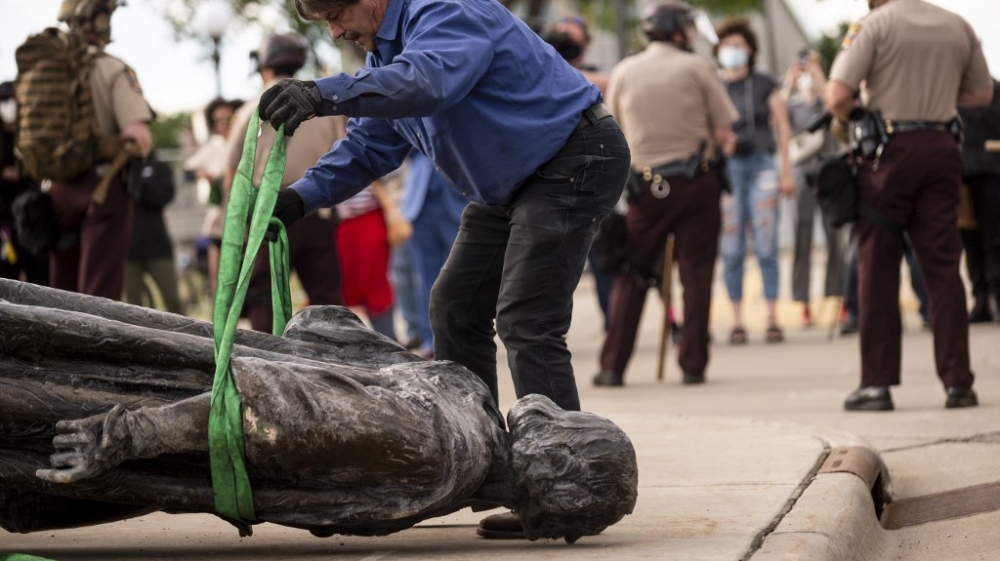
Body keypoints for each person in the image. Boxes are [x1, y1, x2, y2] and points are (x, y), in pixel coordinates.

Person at [258, 0, 630, 538]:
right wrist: (297, 200)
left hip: (571, 158)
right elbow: (369, 145)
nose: (337, 31)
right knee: (453, 307)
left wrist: (324, 93)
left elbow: (426, 82)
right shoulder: (385, 57)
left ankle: (567, 490)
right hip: (506, 186)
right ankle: (486, 466)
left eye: (337, 15)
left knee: (527, 318)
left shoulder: (447, 10)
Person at [0, 278, 638, 543]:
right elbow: (271, 409)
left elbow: (327, 331)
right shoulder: (440, 449)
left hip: (181, 372)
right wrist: (130, 433)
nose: (555, 411)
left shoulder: (467, 399)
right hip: (156, 400)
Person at [825, 0, 992, 411]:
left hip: (889, 155)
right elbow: (982, 93)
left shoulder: (873, 25)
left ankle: (877, 385)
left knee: (877, 265)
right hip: (942, 148)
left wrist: (868, 110)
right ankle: (958, 383)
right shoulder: (958, 25)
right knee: (942, 265)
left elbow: (837, 96)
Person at [593, 1, 736, 387]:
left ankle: (612, 367)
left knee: (634, 272)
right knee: (696, 274)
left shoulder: (624, 70)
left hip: (645, 188)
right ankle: (693, 365)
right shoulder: (698, 68)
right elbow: (723, 133)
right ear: (678, 30)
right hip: (696, 185)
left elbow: (612, 131)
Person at [225, 33, 345, 334]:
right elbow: (343, 153)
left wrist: (238, 221)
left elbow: (231, 170)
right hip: (317, 207)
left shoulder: (250, 109)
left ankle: (267, 361)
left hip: (270, 212)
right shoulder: (322, 106)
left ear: (265, 66)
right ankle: (335, 357)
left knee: (265, 295)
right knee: (326, 295)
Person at [44, 0, 153, 300]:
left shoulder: (47, 68)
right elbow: (138, 137)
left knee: (58, 295)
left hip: (56, 191)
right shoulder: (112, 67)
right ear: (100, 20)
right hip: (103, 190)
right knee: (98, 294)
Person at [715, 18, 794, 345]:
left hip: (762, 165)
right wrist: (723, 143)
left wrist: (786, 171)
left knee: (766, 244)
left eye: (739, 45)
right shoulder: (714, 84)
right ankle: (737, 320)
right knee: (731, 248)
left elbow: (783, 127)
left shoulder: (764, 83)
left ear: (750, 49)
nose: (733, 51)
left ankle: (773, 316)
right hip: (729, 169)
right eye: (727, 45)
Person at [540, 16, 615, 329]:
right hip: (550, 178)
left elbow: (606, 83)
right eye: (559, 37)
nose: (565, 42)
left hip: (591, 173)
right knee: (552, 260)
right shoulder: (539, 68)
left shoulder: (596, 76)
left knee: (604, 255)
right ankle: (550, 324)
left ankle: (614, 319)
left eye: (571, 37)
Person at [780, 50, 846, 328]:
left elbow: (838, 107)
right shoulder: (791, 105)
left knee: (834, 236)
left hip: (828, 172)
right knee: (801, 236)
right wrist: (789, 81)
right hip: (801, 173)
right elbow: (775, 118)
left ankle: (839, 297)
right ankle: (803, 303)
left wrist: (821, 78)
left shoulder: (825, 102)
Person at [397, 151, 468, 359]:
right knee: (424, 277)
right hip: (420, 205)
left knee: (461, 277)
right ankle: (430, 340)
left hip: (459, 200)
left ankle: (462, 337)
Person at [184, 97, 241, 302]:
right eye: (218, 121)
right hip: (220, 222)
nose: (224, 125)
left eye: (229, 118)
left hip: (248, 223)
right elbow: (188, 170)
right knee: (219, 283)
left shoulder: (248, 143)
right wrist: (205, 176)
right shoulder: (212, 149)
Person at [958, 78, 1000, 324]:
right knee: (971, 241)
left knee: (993, 241)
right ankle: (981, 298)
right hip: (964, 176)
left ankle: (994, 296)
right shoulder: (953, 91)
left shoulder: (994, 91)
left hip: (990, 173)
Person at [0, 81, 49, 285]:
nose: (8, 105)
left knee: (40, 278)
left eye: (12, 100)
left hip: (33, 219)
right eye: (3, 100)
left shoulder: (34, 134)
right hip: (4, 222)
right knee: (6, 279)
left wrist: (22, 173)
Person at [123, 153, 184, 315]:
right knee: (133, 305)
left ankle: (186, 337)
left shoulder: (158, 167)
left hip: (157, 244)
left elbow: (164, 196)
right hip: (128, 248)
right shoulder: (120, 168)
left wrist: (141, 180)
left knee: (173, 299)